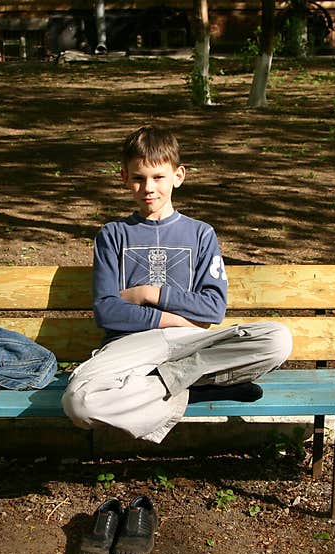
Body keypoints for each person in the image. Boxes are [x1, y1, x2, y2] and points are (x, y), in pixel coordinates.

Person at [62, 125, 292, 444]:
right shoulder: (112, 236)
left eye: (158, 177)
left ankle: (170, 382)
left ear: (178, 176)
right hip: (131, 346)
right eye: (139, 178)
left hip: (190, 343)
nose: (149, 188)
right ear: (124, 178)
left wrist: (148, 294)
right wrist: (177, 317)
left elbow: (213, 308)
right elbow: (107, 312)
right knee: (79, 403)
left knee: (276, 340)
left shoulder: (201, 235)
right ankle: (191, 388)